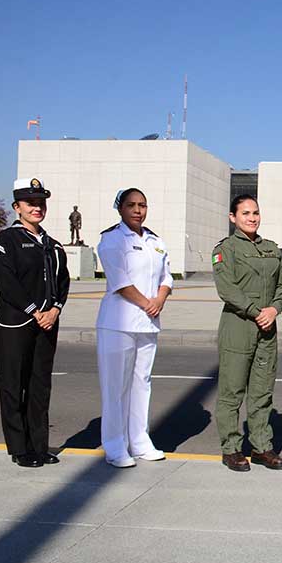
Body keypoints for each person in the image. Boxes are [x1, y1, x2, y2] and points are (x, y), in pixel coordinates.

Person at [0, 177, 70, 467]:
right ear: (17, 207)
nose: (37, 208)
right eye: (30, 203)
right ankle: (19, 448)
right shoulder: (6, 240)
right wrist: (35, 310)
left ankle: (39, 445)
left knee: (40, 386)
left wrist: (55, 310)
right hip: (16, 322)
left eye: (41, 203)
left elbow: (63, 282)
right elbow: (6, 281)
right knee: (13, 384)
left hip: (48, 323)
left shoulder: (53, 244)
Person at [212, 194, 282, 472]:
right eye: (245, 213)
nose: (252, 218)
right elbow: (226, 288)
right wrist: (255, 311)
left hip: (267, 327)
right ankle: (231, 448)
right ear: (233, 217)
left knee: (262, 391)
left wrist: (274, 309)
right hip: (239, 326)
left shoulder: (271, 249)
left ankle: (261, 446)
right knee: (232, 391)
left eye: (256, 212)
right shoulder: (226, 249)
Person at [95, 188, 173, 468]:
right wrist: (146, 303)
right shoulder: (112, 240)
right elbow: (120, 279)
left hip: (148, 324)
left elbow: (167, 277)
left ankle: (140, 440)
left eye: (142, 205)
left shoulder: (155, 240)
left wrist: (160, 299)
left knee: (142, 383)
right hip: (119, 323)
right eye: (131, 205)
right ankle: (115, 446)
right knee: (116, 388)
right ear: (120, 209)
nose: (138, 210)